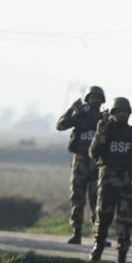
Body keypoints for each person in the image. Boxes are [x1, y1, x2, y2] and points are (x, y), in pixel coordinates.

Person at [89, 96, 132, 263]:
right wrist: (100, 134)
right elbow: (93, 153)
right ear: (113, 113)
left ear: (129, 113)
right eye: (118, 111)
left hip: (126, 185)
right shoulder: (105, 130)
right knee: (103, 216)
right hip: (107, 181)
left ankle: (121, 260)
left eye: (125, 111)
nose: (122, 114)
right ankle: (98, 247)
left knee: (124, 222)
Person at [56, 86, 105, 244]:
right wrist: (72, 110)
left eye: (97, 98)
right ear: (87, 99)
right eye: (92, 97)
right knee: (77, 197)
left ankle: (98, 235)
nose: (94, 100)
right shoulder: (80, 115)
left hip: (97, 162)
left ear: (102, 100)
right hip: (80, 160)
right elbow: (60, 126)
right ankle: (77, 232)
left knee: (96, 199)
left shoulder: (105, 118)